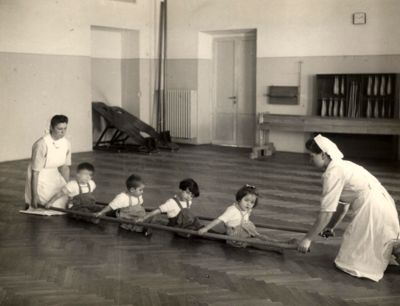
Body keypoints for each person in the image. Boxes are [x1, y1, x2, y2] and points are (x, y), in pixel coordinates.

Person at [297, 134, 400, 282]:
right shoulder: (342, 165)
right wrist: (330, 227)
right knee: (380, 239)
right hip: (381, 202)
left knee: (353, 261)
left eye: (312, 155)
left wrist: (307, 239)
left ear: (324, 155)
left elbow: (326, 213)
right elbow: (342, 205)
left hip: (372, 207)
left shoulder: (332, 173)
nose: (309, 159)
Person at [198, 185, 296, 249]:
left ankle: (282, 242)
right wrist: (206, 228)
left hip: (245, 230)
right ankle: (278, 246)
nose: (249, 204)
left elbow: (245, 218)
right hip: (236, 236)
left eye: (252, 202)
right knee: (257, 241)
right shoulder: (232, 210)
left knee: (261, 237)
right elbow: (218, 220)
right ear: (239, 199)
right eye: (246, 200)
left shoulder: (247, 209)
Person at [24, 115, 71, 212]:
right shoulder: (41, 144)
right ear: (51, 128)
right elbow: (35, 172)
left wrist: (68, 188)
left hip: (54, 175)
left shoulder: (66, 143)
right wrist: (34, 196)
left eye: (65, 128)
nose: (63, 132)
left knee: (65, 200)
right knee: (51, 204)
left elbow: (65, 167)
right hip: (40, 176)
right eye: (59, 129)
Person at [138, 178, 202, 235]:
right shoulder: (172, 203)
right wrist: (143, 218)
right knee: (192, 231)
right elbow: (158, 210)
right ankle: (150, 223)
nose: (189, 197)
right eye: (187, 193)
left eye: (192, 196)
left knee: (196, 222)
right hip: (176, 226)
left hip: (185, 224)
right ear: (181, 190)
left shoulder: (189, 201)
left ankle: (204, 229)